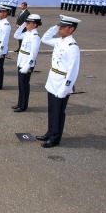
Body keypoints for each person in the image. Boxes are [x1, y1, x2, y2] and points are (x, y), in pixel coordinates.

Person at [36, 15, 81, 148]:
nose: (60, 28)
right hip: (53, 81)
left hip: (62, 83)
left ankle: (55, 138)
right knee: (52, 109)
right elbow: (45, 38)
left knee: (58, 111)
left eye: (63, 26)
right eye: (60, 26)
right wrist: (55, 27)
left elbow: (73, 71)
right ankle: (50, 132)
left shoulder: (72, 46)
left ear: (71, 29)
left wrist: (65, 89)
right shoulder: (60, 41)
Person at [13, 14, 42, 112]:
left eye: (28, 23)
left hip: (27, 64)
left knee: (24, 85)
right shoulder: (27, 33)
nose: (27, 25)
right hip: (21, 61)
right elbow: (16, 35)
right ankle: (20, 103)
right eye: (27, 23)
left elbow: (33, 54)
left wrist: (27, 66)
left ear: (35, 25)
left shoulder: (35, 37)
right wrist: (23, 25)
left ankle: (23, 106)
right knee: (20, 85)